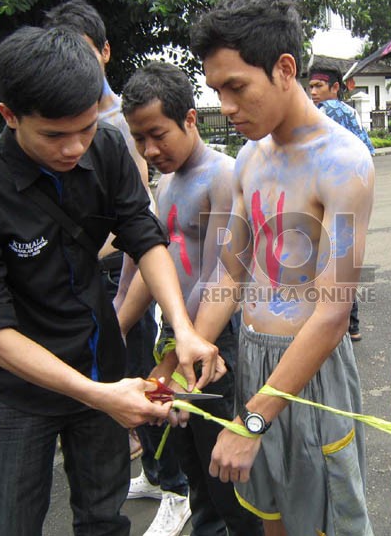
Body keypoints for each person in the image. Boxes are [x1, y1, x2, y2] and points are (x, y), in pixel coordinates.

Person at [0, 26, 218, 535]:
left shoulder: (105, 149)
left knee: (103, 517)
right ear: (9, 115)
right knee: (13, 521)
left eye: (85, 128)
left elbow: (144, 236)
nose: (74, 148)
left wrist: (184, 327)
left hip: (102, 363)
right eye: (53, 135)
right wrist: (99, 396)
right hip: (21, 390)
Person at [189, 0, 376, 535]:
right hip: (252, 356)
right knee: (271, 514)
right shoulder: (249, 156)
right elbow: (230, 267)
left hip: (310, 371)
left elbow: (332, 313)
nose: (225, 107)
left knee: (324, 519)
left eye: (236, 87)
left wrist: (252, 419)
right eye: (216, 90)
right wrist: (194, 348)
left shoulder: (343, 162)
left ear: (285, 67)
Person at [41, 0, 192, 521]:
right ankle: (149, 475)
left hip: (134, 273)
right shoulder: (73, 123)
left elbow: (141, 228)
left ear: (104, 52)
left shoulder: (117, 126)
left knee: (146, 386)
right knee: (115, 386)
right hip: (106, 274)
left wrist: (133, 310)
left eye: (81, 56)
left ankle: (173, 485)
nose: (72, 145)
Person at [117, 60, 265, 536]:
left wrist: (181, 361)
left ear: (190, 119)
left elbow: (218, 274)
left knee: (227, 470)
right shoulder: (166, 182)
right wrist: (117, 326)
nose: (149, 149)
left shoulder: (223, 175)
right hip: (177, 335)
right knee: (192, 463)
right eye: (140, 139)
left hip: (214, 342)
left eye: (158, 134)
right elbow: (151, 266)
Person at [308, 63, 375, 343]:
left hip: (329, 192)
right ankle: (353, 324)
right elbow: (368, 150)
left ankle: (336, 324)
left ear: (335, 87)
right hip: (352, 190)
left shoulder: (327, 111)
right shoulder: (350, 113)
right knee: (343, 260)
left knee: (327, 262)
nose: (312, 92)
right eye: (310, 86)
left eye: (319, 86)